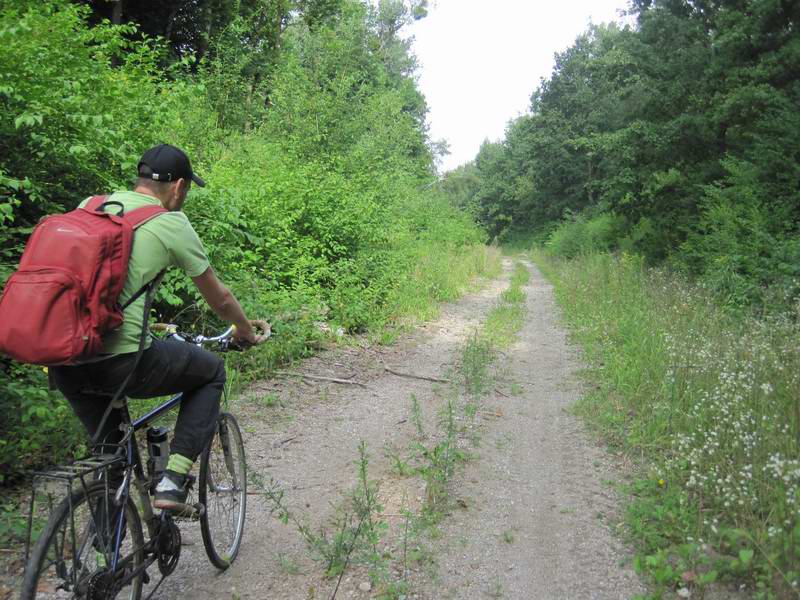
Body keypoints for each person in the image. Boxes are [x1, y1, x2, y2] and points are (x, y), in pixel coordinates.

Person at [51, 144, 266, 512]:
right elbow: (221, 299)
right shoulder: (170, 222)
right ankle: (173, 481)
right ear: (179, 186)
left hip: (65, 357)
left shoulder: (91, 205)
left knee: (111, 457)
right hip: (124, 360)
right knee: (211, 371)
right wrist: (244, 330)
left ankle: (108, 561)